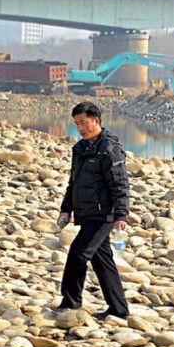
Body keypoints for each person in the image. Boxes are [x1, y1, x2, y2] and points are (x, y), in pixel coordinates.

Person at [56, 102, 130, 320]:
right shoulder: (80, 149)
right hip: (86, 212)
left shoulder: (109, 148)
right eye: (77, 123)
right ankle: (118, 309)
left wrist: (121, 215)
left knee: (78, 253)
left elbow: (120, 183)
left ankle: (71, 303)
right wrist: (65, 209)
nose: (80, 127)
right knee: (102, 260)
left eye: (84, 122)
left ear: (96, 120)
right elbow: (74, 183)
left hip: (104, 214)